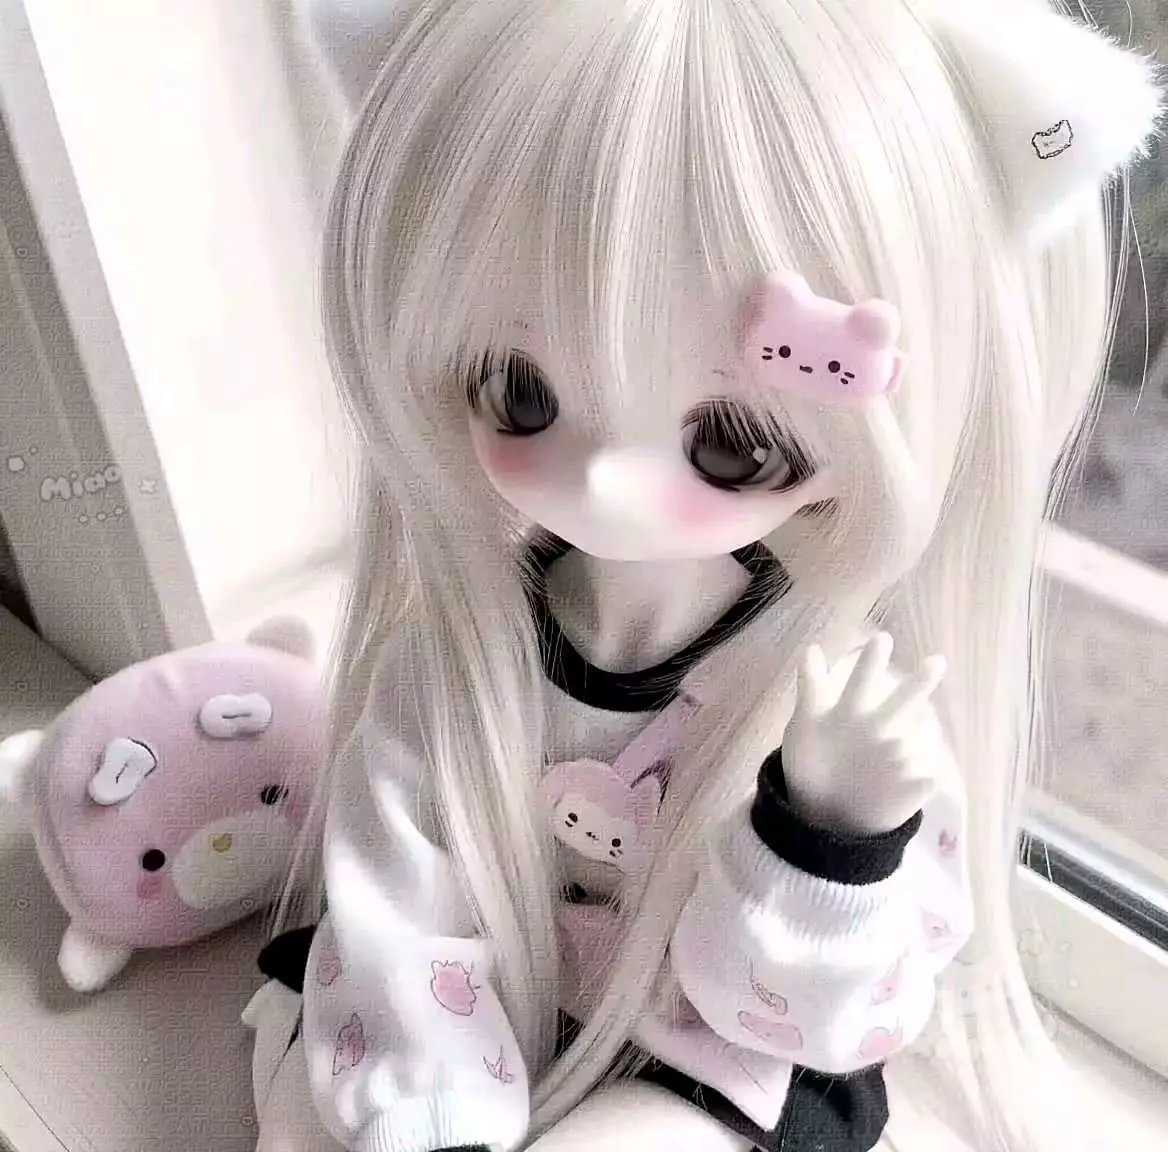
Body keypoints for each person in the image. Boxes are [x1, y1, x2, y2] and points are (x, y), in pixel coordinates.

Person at [244, 2, 1163, 1150]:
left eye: (732, 442)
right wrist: (429, 1107)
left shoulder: (836, 697)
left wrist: (828, 836)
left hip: (713, 1057)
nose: (604, 483)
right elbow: (401, 907)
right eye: (519, 394)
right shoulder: (460, 658)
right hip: (481, 1000)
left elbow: (827, 1013)